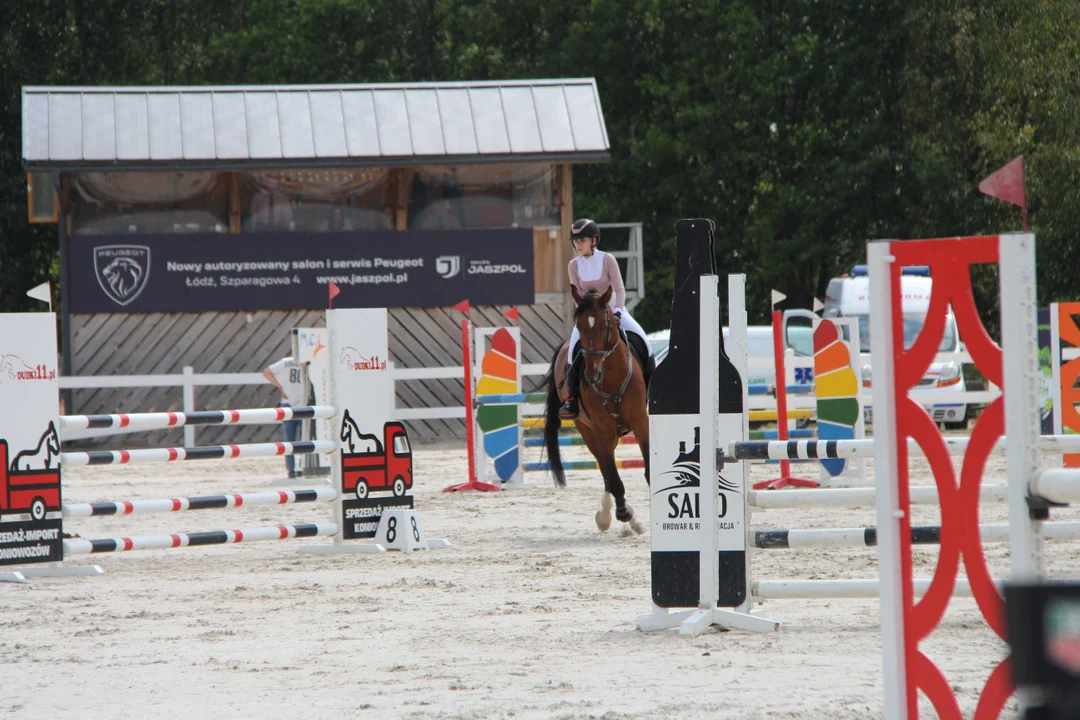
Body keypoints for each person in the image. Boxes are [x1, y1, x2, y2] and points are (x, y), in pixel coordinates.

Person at [560, 218, 654, 419]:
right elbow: (576, 295)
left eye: (582, 240)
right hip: (589, 317)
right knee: (571, 352)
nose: (578, 245)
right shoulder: (573, 266)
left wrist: (619, 310)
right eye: (575, 241)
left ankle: (654, 392)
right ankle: (572, 400)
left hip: (614, 310)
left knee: (645, 342)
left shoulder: (607, 260)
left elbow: (619, 289)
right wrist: (583, 316)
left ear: (594, 240)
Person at [263, 355, 304, 478]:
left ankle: (291, 470)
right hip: (303, 404)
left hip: (287, 402)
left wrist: (280, 386)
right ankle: (302, 467)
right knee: (305, 439)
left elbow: (266, 372)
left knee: (289, 440)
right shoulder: (306, 362)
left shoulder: (284, 362)